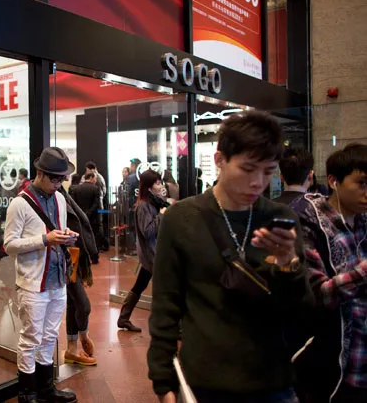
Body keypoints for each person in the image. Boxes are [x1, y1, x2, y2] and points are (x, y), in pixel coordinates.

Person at [148, 111, 314, 403]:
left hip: (273, 380)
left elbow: (300, 308)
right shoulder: (182, 218)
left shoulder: (280, 219)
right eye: (248, 169)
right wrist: (163, 381)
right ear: (219, 160)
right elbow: (166, 304)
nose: (258, 182)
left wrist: (289, 264)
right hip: (206, 379)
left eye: (268, 171)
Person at [292, 143, 367, 403]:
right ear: (334, 181)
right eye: (362, 183)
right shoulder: (308, 220)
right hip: (330, 366)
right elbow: (317, 295)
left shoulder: (363, 221)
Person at [4, 147, 79, 403]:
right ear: (40, 173)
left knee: (49, 336)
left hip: (57, 279)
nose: (59, 184)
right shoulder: (19, 203)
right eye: (56, 178)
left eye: (62, 179)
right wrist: (44, 239)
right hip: (33, 282)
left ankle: (46, 388)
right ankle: (27, 392)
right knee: (30, 337)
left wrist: (65, 237)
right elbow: (9, 245)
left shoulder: (59, 199)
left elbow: (57, 232)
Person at [117, 169, 168, 332]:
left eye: (160, 182)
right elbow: (147, 232)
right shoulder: (144, 206)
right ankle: (168, 325)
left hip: (153, 253)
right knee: (165, 289)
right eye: (157, 183)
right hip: (152, 254)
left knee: (139, 286)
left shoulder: (155, 203)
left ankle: (123, 318)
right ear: (149, 186)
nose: (160, 186)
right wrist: (161, 216)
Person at [59, 185, 99, 366]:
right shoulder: (54, 197)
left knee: (74, 303)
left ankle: (71, 349)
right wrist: (85, 333)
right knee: (83, 305)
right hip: (64, 257)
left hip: (74, 256)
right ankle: (82, 336)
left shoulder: (63, 195)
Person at [70, 172, 101, 252]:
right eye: (95, 178)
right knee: (94, 234)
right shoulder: (96, 188)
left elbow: (74, 204)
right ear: (91, 177)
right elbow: (96, 204)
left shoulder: (76, 189)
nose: (95, 180)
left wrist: (82, 214)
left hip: (80, 217)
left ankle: (84, 252)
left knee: (82, 235)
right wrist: (89, 213)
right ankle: (95, 253)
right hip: (93, 217)